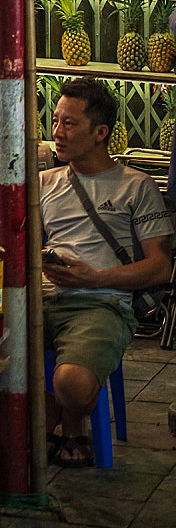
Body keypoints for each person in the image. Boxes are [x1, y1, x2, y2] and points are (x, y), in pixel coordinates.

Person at [40, 77, 172, 467]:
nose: (57, 133)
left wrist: (93, 278)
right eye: (56, 120)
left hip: (101, 304)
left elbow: (161, 267)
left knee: (72, 385)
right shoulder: (43, 183)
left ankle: (68, 421)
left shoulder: (136, 186)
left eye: (70, 124)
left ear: (101, 133)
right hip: (44, 296)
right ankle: (60, 427)